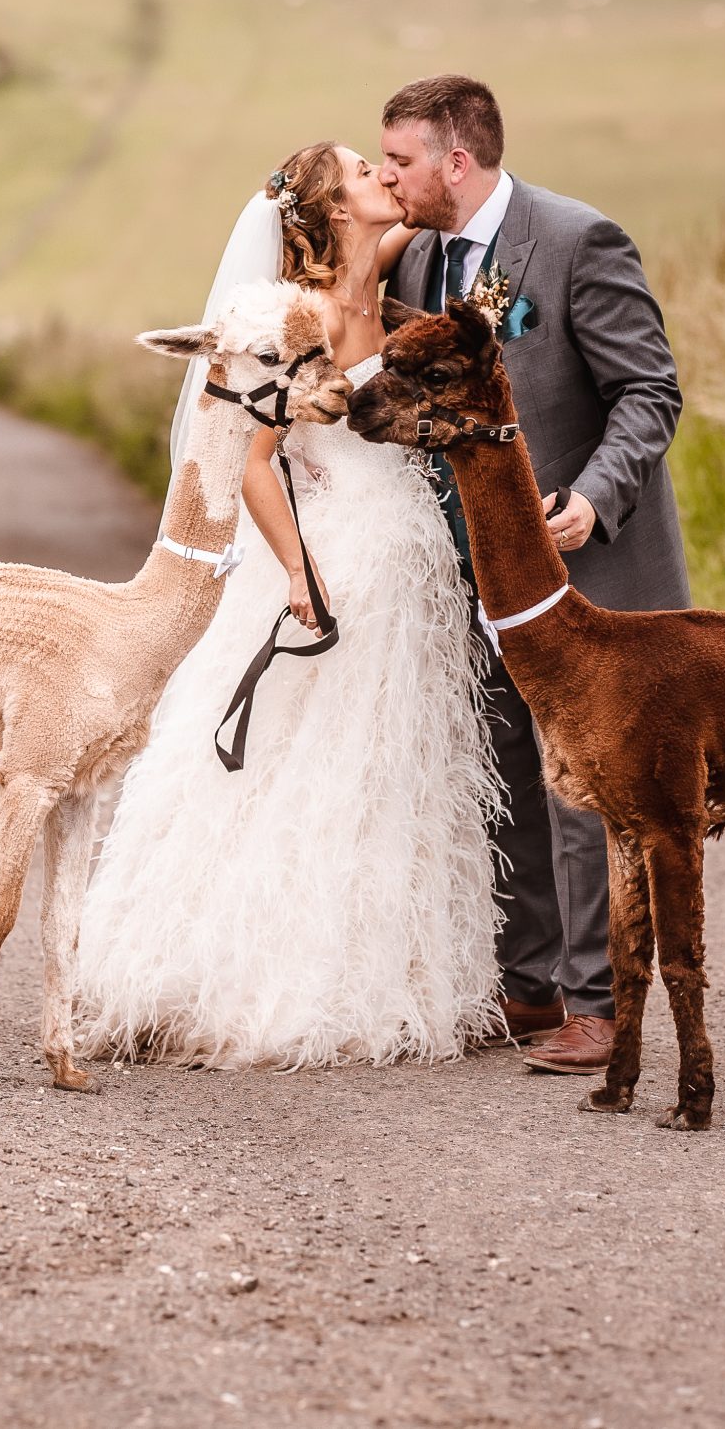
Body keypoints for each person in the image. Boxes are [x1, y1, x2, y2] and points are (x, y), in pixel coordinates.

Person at [72, 142, 504, 1067]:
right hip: (329, 555)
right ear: (331, 209)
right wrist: (301, 574)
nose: (384, 177)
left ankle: (378, 969)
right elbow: (255, 464)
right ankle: (237, 974)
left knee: (381, 764)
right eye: (362, 171)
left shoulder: (376, 270)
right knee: (287, 762)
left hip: (409, 556)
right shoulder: (290, 317)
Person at [377, 73, 690, 1076]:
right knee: (507, 765)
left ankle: (602, 1005)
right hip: (483, 568)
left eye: (400, 160)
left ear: (454, 161)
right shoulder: (420, 257)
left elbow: (649, 388)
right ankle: (532, 980)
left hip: (590, 572)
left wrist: (594, 497)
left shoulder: (577, 241)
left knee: (582, 783)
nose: (389, 176)